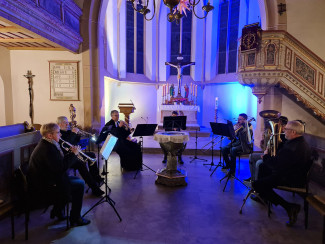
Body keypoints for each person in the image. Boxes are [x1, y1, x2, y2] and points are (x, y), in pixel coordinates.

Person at [27, 123, 90, 226]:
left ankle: (58, 210)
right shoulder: (47, 149)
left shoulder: (48, 143)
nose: (60, 135)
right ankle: (75, 218)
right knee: (79, 184)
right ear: (49, 135)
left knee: (73, 180)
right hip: (45, 185)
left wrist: (70, 154)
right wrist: (74, 154)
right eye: (58, 132)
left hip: (49, 178)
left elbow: (58, 164)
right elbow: (61, 168)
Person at [251, 121, 311, 226]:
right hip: (293, 173)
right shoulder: (299, 142)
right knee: (263, 167)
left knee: (256, 184)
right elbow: (282, 161)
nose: (283, 131)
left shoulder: (292, 148)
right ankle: (264, 196)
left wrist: (266, 156)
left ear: (293, 131)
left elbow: (277, 166)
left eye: (286, 129)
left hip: (290, 178)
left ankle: (289, 207)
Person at [57, 116, 104, 197]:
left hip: (75, 153)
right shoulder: (59, 133)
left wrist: (78, 134)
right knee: (81, 164)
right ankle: (94, 188)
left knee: (92, 155)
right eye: (65, 122)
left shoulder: (68, 131)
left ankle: (95, 177)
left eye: (67, 122)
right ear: (59, 124)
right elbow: (68, 143)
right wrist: (74, 133)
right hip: (68, 157)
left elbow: (75, 141)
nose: (68, 124)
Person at [245, 116, 288, 182]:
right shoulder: (276, 134)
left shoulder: (285, 136)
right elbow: (268, 146)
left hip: (274, 158)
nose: (277, 126)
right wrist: (268, 141)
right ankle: (253, 179)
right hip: (270, 155)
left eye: (278, 125)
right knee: (252, 156)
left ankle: (257, 183)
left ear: (284, 126)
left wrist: (266, 156)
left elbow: (280, 152)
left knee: (259, 163)